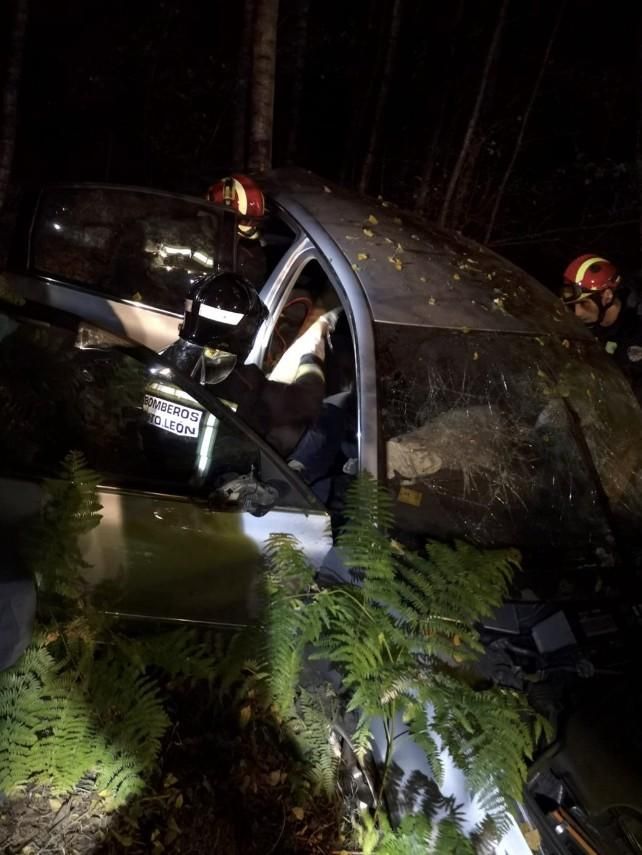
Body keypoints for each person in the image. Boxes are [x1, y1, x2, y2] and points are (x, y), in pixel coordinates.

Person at [145, 270, 345, 497]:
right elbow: (308, 401)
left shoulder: (158, 362)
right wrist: (311, 358)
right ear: (239, 332)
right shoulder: (241, 382)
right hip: (219, 493)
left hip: (159, 483)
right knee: (331, 414)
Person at [561, 254, 642, 402]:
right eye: (573, 305)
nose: (577, 313)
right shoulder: (583, 329)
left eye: (584, 304)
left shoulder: (636, 332)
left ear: (607, 296)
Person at [206, 174, 268, 288]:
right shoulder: (191, 234)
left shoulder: (252, 257)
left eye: (253, 221)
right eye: (244, 220)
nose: (250, 226)